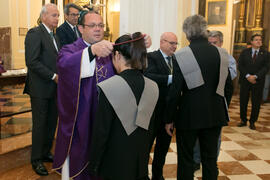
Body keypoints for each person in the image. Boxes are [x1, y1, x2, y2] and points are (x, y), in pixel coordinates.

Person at [52, 11, 152, 180]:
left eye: (100, 25)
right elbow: (64, 66)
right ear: (81, 28)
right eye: (92, 26)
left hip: (109, 120)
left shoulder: (111, 50)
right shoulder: (69, 50)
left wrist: (142, 45)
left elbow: (130, 61)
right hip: (83, 120)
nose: (98, 29)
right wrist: (90, 52)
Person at [165, 15, 232, 180]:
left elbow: (175, 91)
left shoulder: (182, 55)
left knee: (186, 159)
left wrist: (169, 118)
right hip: (215, 114)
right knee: (210, 160)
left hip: (189, 116)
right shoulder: (222, 54)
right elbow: (228, 87)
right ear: (204, 30)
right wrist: (221, 108)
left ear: (186, 34)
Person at [88, 32, 159, 180]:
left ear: (118, 55)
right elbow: (151, 129)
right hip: (141, 162)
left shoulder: (109, 87)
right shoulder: (153, 86)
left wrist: (94, 164)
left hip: (115, 165)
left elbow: (101, 133)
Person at [24, 3, 60, 176]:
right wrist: (53, 76)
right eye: (54, 15)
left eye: (58, 15)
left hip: (54, 89)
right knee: (40, 125)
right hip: (40, 89)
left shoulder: (55, 36)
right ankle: (36, 159)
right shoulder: (35, 33)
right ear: (44, 16)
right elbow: (32, 61)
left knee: (51, 122)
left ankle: (45, 152)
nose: (57, 18)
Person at [193, 30, 235, 171]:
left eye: (214, 43)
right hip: (201, 102)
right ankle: (196, 160)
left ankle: (211, 161)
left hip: (217, 102)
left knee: (214, 136)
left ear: (221, 43)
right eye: (209, 43)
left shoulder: (227, 58)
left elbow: (229, 80)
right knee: (198, 134)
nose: (211, 46)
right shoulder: (202, 56)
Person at [144, 32, 178, 180]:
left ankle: (158, 175)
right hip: (152, 113)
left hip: (169, 114)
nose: (174, 47)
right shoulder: (151, 57)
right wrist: (171, 78)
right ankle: (143, 175)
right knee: (145, 148)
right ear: (162, 42)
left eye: (176, 44)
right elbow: (148, 76)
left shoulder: (177, 60)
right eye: (172, 43)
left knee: (162, 149)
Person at [238, 34, 269, 130]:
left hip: (258, 81)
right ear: (251, 42)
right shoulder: (244, 52)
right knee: (243, 101)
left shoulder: (266, 53)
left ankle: (252, 122)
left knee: (256, 102)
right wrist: (248, 76)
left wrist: (255, 76)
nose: (259, 41)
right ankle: (243, 120)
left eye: (260, 40)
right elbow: (240, 65)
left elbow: (266, 67)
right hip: (245, 80)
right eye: (256, 40)